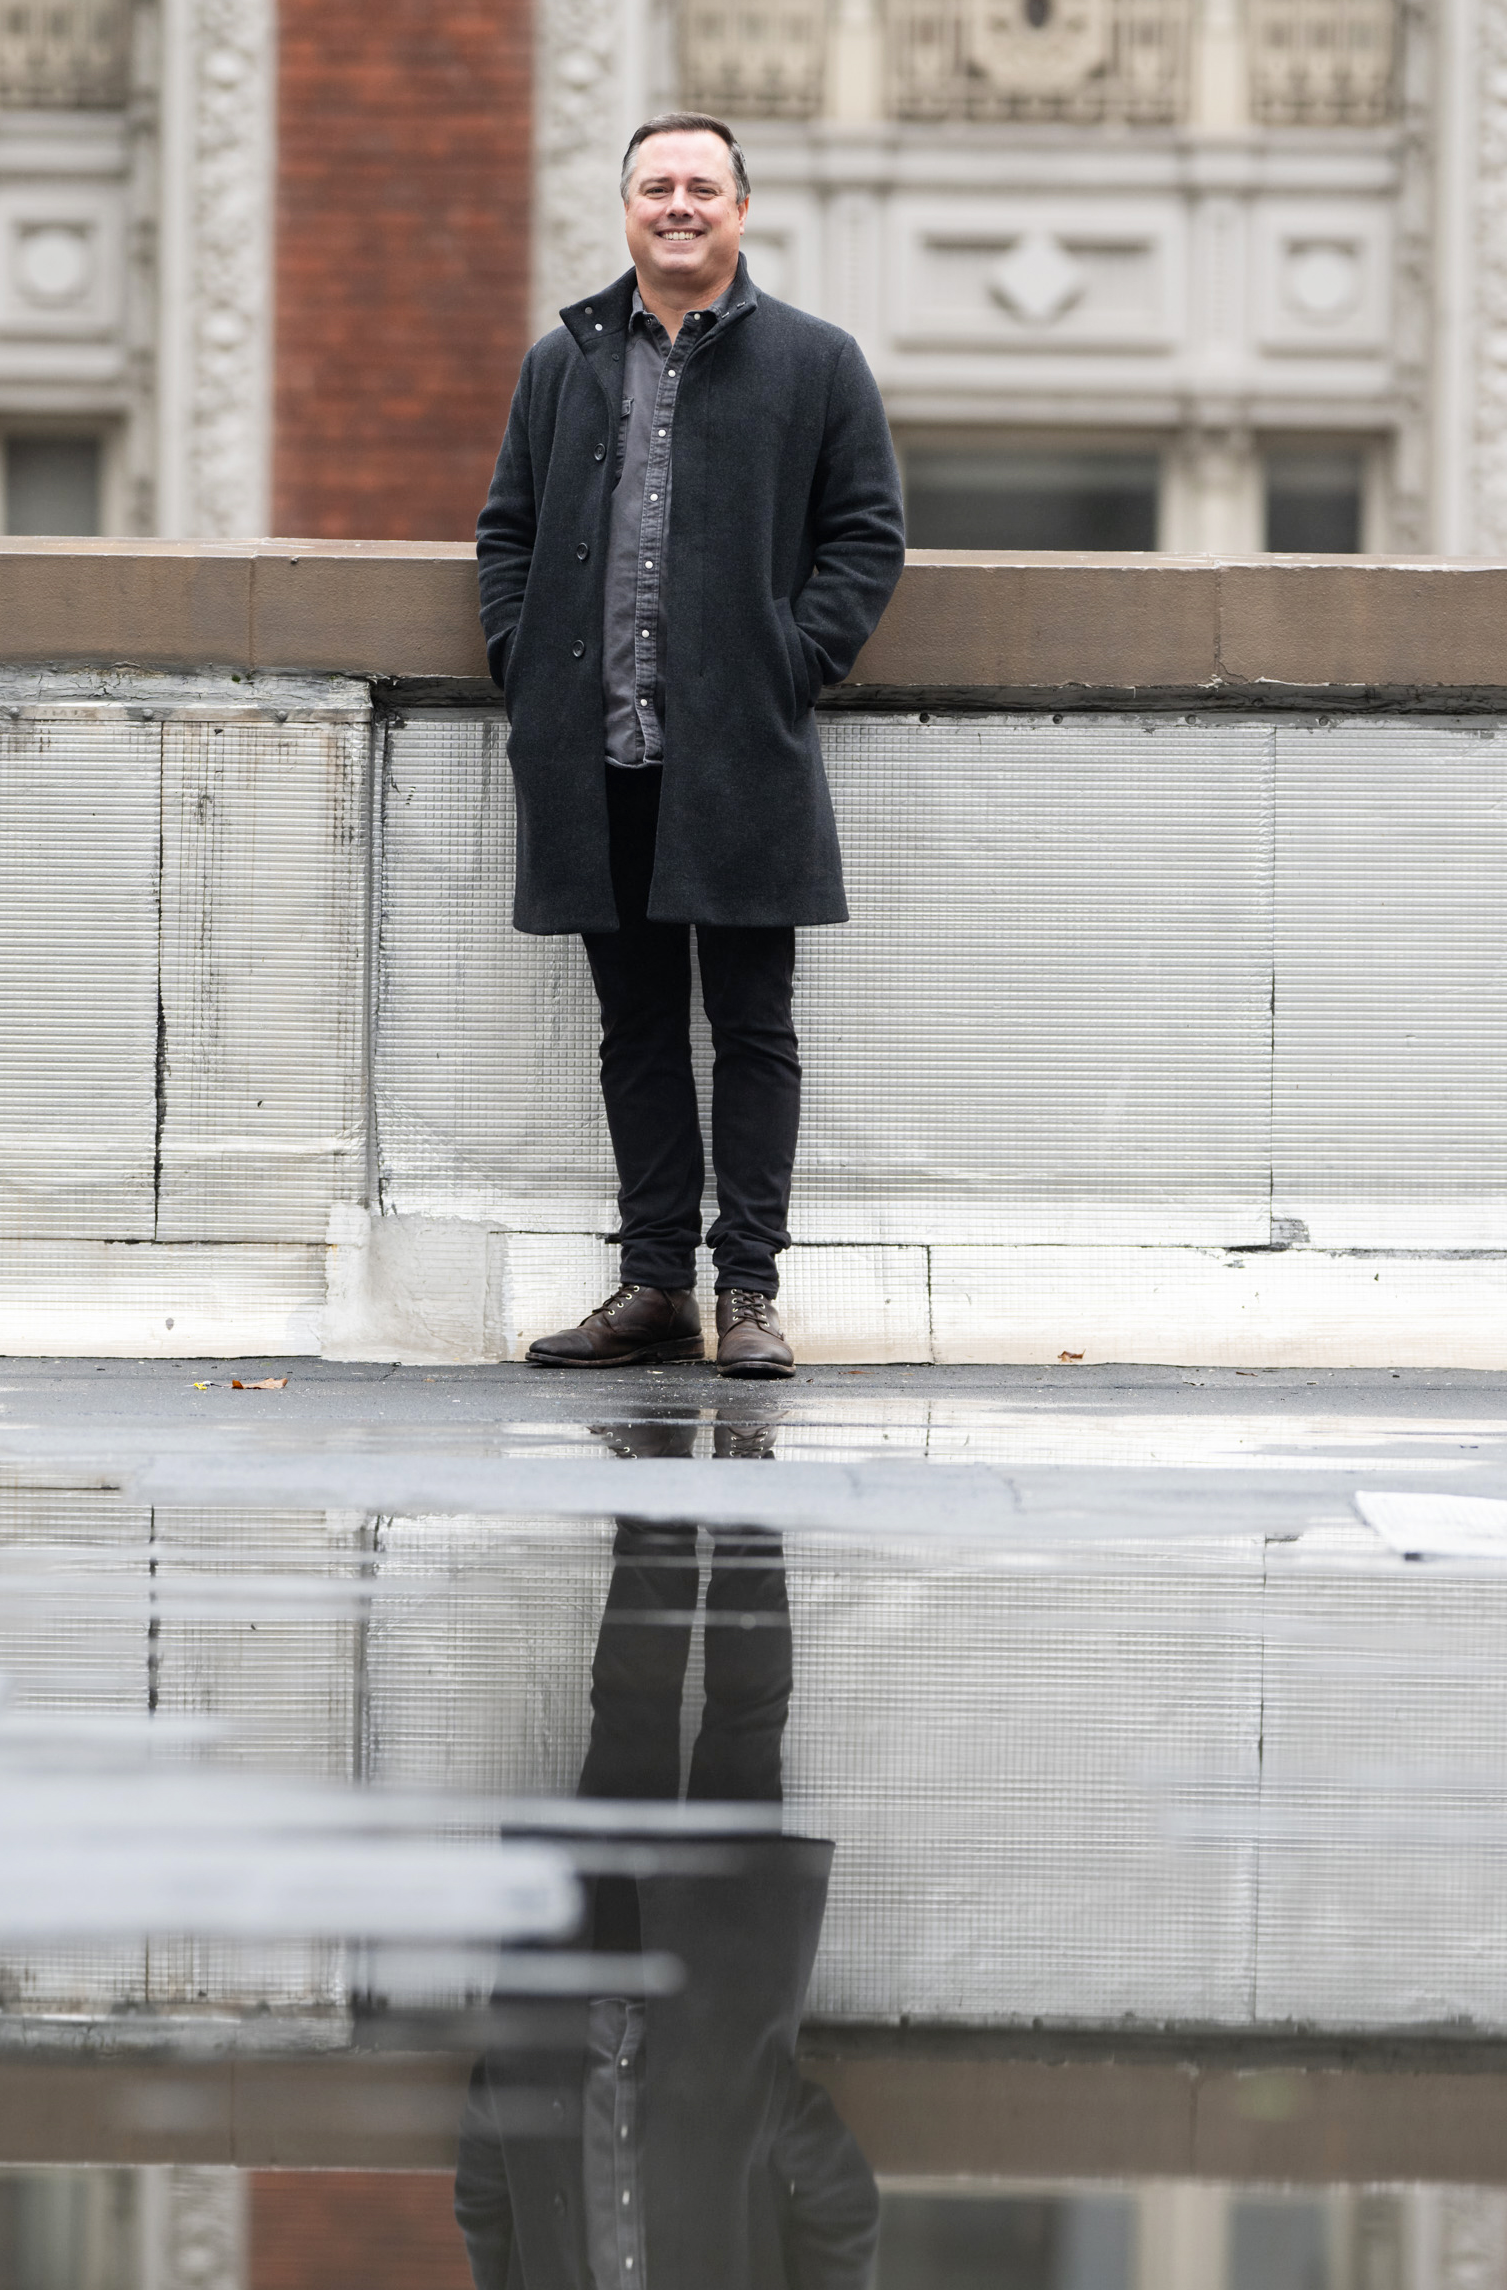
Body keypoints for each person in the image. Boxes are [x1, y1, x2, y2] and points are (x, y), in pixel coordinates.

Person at [476, 113, 906, 1380]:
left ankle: (750, 1295)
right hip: (596, 746)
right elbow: (505, 533)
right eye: (655, 186)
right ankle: (655, 1282)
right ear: (625, 211)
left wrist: (790, 658)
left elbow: (865, 538)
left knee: (755, 1027)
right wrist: (521, 659)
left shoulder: (815, 363)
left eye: (700, 187)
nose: (677, 205)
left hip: (738, 749)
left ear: (739, 210)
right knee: (637, 1033)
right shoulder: (562, 364)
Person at [453, 1440, 878, 2290]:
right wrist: (760, 2091)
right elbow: (843, 2220)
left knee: (624, 1720)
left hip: (567, 1984)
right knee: (743, 1726)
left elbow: (482, 2207)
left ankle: (651, 1489)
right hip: (721, 1991)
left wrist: (507, 2080)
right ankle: (742, 1484)